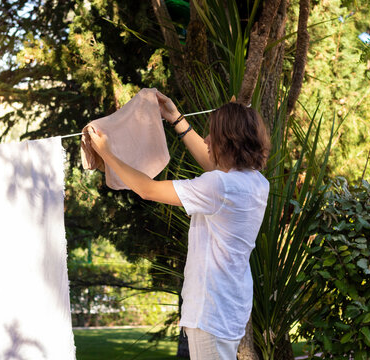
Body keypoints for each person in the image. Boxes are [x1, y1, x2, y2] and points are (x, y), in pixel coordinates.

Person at [88, 90, 271, 360]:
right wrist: (175, 118)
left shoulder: (219, 186)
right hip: (230, 308)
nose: (208, 141)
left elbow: (148, 190)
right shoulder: (255, 182)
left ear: (229, 142)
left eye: (213, 136)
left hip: (211, 311)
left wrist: (109, 153)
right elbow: (214, 164)